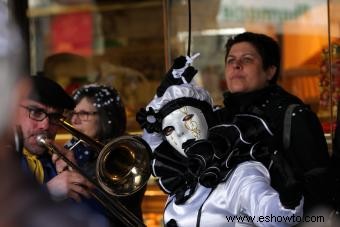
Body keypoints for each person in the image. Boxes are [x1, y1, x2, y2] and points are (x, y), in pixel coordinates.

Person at [0, 2, 110, 227]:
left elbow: (98, 218)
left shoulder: (54, 161)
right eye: (36, 112)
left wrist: (75, 170)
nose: (45, 126)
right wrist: (50, 192)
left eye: (55, 117)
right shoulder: (6, 160)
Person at [136, 80, 304, 226]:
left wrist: (289, 200)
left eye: (187, 119)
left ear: (207, 118)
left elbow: (272, 215)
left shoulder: (239, 174)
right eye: (169, 130)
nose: (179, 133)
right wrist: (162, 91)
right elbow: (150, 141)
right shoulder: (183, 181)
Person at [213, 31, 333, 215]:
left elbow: (319, 195)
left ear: (270, 70)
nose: (236, 65)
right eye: (230, 60)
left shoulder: (293, 116)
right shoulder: (221, 118)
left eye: (247, 59)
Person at [65, 83, 146, 225]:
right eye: (73, 114)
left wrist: (71, 171)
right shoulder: (71, 149)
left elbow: (112, 204)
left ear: (105, 116)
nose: (74, 121)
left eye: (83, 114)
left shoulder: (126, 150)